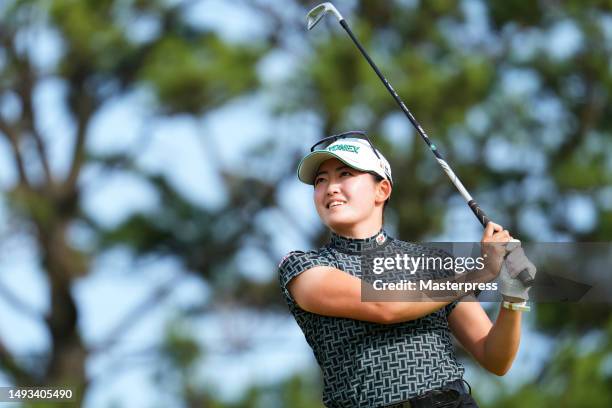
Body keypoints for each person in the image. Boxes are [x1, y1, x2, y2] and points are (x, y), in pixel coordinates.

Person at [278, 131, 536, 408]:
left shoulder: (430, 262)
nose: (330, 188)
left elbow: (495, 358)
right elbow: (383, 306)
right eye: (321, 180)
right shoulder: (302, 266)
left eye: (345, 175)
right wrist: (482, 273)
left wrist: (514, 296)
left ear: (382, 190)